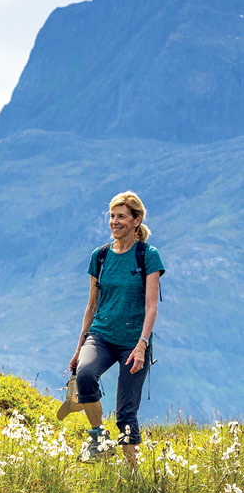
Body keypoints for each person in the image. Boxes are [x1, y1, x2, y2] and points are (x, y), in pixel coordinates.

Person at [59, 191, 164, 468]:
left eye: (121, 217)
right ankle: (99, 440)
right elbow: (92, 305)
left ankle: (133, 475)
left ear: (136, 220)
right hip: (101, 335)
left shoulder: (148, 256)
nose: (114, 222)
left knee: (126, 413)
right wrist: (79, 348)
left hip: (133, 341)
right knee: (84, 374)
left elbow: (151, 306)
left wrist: (142, 345)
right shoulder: (101, 256)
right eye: (112, 216)